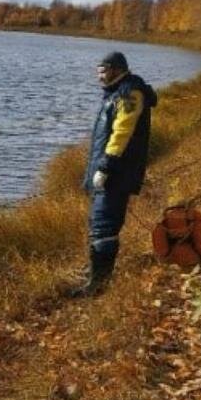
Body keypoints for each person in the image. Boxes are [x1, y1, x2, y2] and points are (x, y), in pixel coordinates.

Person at [72, 52, 157, 297]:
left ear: (118, 69)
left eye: (104, 71)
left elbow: (122, 132)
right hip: (111, 172)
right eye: (98, 71)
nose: (99, 76)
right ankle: (96, 275)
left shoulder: (129, 93)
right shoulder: (115, 92)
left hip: (116, 173)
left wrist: (105, 166)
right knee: (99, 224)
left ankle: (98, 286)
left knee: (104, 227)